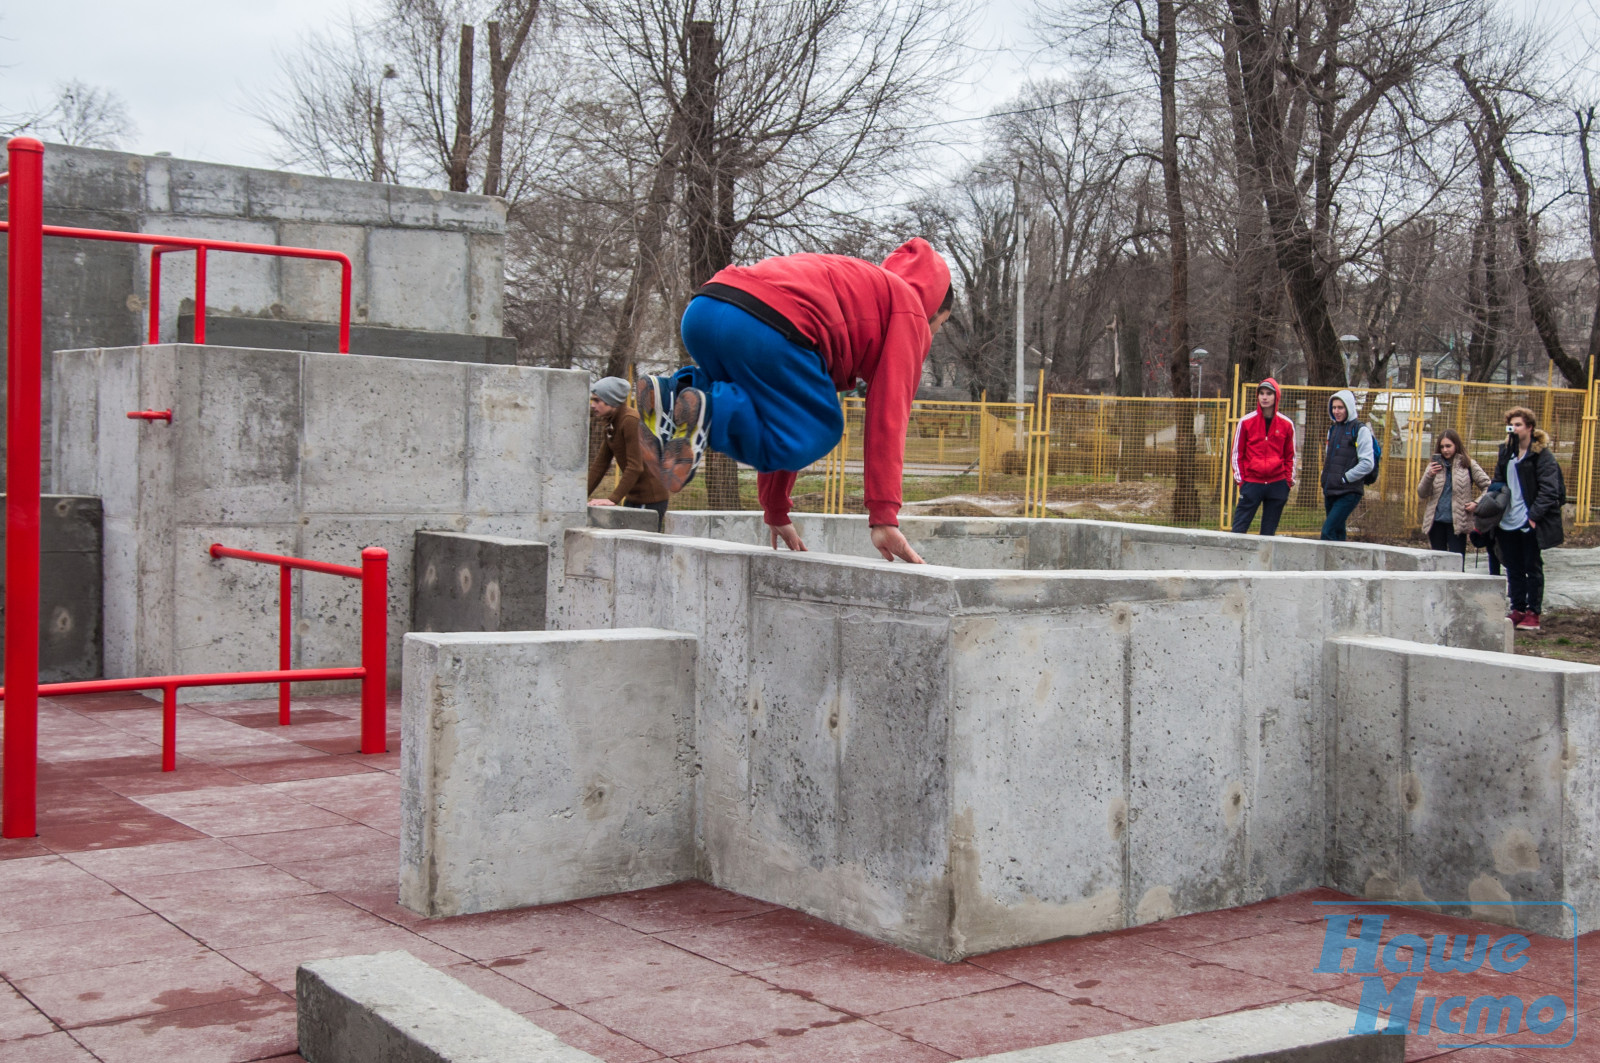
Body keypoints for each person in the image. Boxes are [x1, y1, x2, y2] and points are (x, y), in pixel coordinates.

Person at [634, 238, 953, 563]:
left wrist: (776, 510)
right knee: (819, 430)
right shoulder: (909, 312)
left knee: (776, 415)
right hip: (770, 328)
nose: (932, 336)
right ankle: (712, 412)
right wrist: (884, 516)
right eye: (939, 325)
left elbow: (786, 413)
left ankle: (674, 392)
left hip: (706, 309)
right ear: (933, 306)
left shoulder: (860, 290)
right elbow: (889, 417)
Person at [1467, 406, 1564, 631]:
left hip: (1528, 520)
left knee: (1532, 566)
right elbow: (1498, 482)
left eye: (1518, 424)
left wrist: (1533, 517)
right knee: (1513, 566)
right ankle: (1518, 608)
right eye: (1511, 425)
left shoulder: (1542, 456)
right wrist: (1489, 511)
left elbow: (1549, 490)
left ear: (1530, 427)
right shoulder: (1506, 452)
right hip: (1506, 520)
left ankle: (1533, 612)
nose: (1514, 428)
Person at [586, 376, 669, 531]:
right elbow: (600, 465)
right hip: (633, 498)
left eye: (597, 400)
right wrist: (579, 497)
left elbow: (635, 466)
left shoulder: (630, 420)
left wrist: (612, 499)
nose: (593, 405)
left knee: (643, 550)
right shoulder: (612, 423)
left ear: (611, 401)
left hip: (650, 498)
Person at [1230, 378, 1297, 535]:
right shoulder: (1246, 422)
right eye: (1261, 393)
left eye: (1269, 394)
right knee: (1238, 529)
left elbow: (1290, 456)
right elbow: (1237, 453)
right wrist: (1241, 481)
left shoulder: (1286, 424)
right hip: (1252, 482)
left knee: (1268, 533)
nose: (1264, 397)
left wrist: (1287, 482)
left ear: (1276, 397)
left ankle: (1263, 559)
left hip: (1277, 483)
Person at [1415, 428, 1489, 564]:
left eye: (1448, 446)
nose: (1445, 450)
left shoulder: (1468, 464)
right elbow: (1422, 493)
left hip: (1458, 523)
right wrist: (1429, 475)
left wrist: (1477, 503)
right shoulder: (1434, 466)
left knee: (1457, 564)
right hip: (1436, 522)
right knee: (1438, 564)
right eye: (1442, 447)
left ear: (1456, 445)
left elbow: (1488, 486)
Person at [1319, 389, 1375, 541]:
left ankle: (1327, 564)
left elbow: (1367, 463)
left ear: (1349, 407)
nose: (1336, 411)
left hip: (1348, 491)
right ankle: (1341, 564)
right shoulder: (1333, 429)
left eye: (1340, 407)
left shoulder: (1360, 430)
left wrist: (1345, 478)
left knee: (1327, 532)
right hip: (1331, 490)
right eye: (1334, 407)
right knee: (1337, 533)